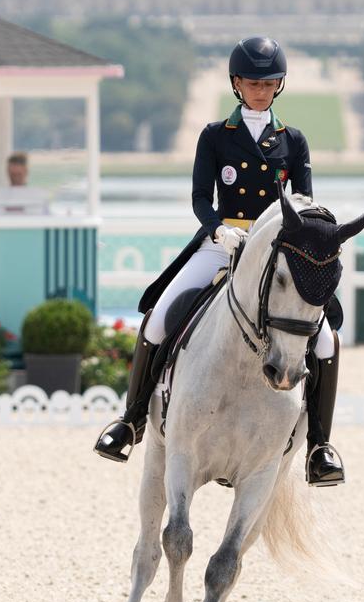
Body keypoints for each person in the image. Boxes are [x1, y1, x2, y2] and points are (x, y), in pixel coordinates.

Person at [93, 36, 347, 487]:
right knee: (158, 318)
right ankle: (131, 421)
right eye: (252, 82)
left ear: (279, 86)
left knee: (325, 340)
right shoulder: (215, 136)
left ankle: (319, 447)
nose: (260, 91)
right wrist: (219, 230)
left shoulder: (292, 141)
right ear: (236, 83)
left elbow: (305, 201)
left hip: (275, 250)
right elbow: (199, 197)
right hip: (223, 241)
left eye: (269, 84)